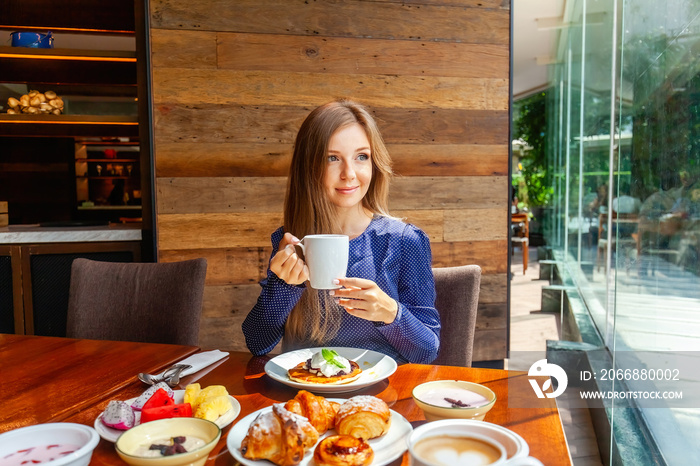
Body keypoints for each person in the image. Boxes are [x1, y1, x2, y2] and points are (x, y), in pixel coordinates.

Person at [241, 99, 440, 364]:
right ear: (308, 168)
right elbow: (257, 342)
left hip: (378, 394)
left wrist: (391, 313)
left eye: (361, 157)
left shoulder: (405, 241)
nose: (349, 173)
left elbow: (427, 352)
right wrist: (283, 285)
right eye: (332, 158)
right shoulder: (290, 241)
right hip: (306, 392)